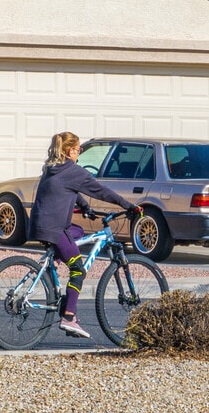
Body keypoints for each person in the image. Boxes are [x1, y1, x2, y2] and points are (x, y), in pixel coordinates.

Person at [28, 132, 142, 338]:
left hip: (38, 225)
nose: (79, 153)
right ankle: (69, 317)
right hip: (54, 229)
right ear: (70, 150)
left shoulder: (51, 168)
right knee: (78, 269)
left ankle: (55, 258)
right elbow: (101, 191)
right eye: (79, 149)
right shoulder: (74, 171)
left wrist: (85, 206)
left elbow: (69, 190)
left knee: (78, 232)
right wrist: (129, 206)